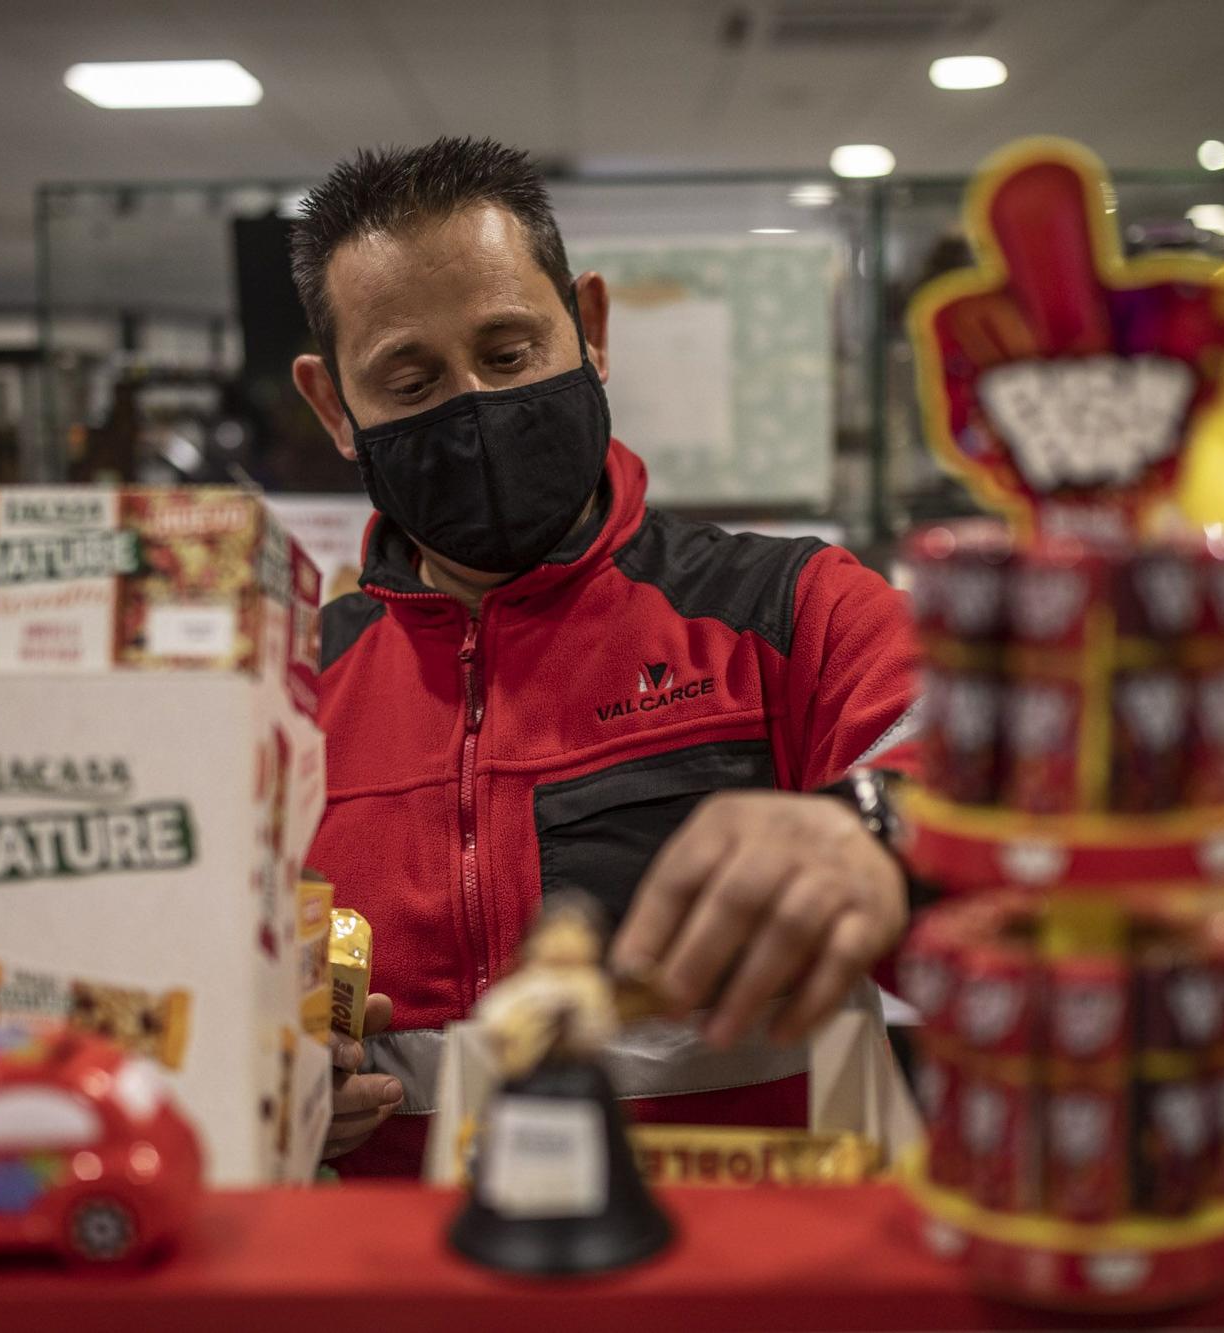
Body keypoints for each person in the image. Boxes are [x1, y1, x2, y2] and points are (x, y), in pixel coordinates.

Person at [290, 136, 920, 1176]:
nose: (474, 408)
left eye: (507, 354)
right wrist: (272, 1081)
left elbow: (997, 797)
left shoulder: (791, 611)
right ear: (333, 407)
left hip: (758, 1273)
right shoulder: (290, 695)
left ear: (588, 328)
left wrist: (876, 831)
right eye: (408, 380)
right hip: (415, 1282)